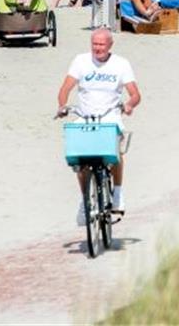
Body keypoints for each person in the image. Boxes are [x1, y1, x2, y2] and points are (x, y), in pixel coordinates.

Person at [56, 28, 142, 221]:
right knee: (79, 158)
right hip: (85, 115)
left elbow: (135, 94)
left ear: (110, 45)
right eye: (95, 44)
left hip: (110, 115)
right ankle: (85, 200)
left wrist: (129, 105)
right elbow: (65, 88)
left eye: (102, 44)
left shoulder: (121, 64)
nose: (98, 48)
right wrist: (62, 106)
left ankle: (118, 194)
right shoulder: (81, 61)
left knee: (116, 151)